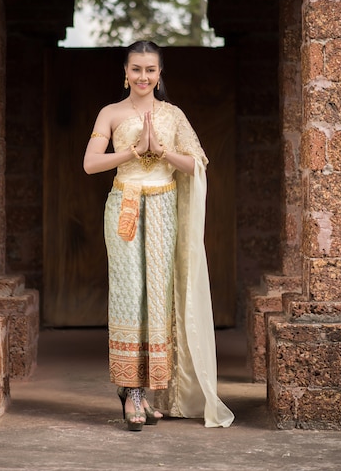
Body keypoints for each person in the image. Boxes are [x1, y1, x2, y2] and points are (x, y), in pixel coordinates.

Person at [83, 40, 234, 431]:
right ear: (125, 72)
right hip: (126, 204)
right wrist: (132, 153)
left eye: (150, 69)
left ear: (160, 73)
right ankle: (130, 390)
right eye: (136, 69)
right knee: (129, 292)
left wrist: (163, 152)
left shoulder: (173, 116)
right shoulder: (111, 113)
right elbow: (90, 163)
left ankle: (148, 391)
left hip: (164, 209)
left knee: (159, 294)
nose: (143, 76)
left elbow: (197, 163)